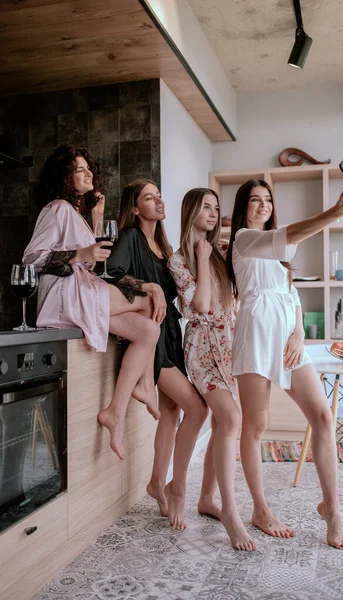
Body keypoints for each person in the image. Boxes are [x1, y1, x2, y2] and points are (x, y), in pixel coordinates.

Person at [225, 179, 343, 550]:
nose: (263, 205)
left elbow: (292, 295)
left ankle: (331, 508)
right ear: (243, 208)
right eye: (255, 200)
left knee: (322, 416)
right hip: (255, 332)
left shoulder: (282, 249)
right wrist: (336, 212)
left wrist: (298, 334)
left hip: (288, 336)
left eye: (268, 200)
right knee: (255, 426)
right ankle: (260, 509)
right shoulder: (243, 239)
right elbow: (296, 231)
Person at [23, 146, 163, 462]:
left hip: (83, 287)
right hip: (64, 293)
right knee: (146, 300)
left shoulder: (76, 215)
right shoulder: (57, 208)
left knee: (147, 330)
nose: (88, 173)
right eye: (78, 169)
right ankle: (146, 385)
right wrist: (81, 255)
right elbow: (32, 260)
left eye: (89, 168)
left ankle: (115, 411)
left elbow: (94, 260)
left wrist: (96, 218)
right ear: (64, 177)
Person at [106, 180, 216, 530]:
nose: (158, 200)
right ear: (136, 208)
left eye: (158, 195)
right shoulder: (130, 237)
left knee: (171, 411)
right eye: (149, 198)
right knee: (197, 408)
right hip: (150, 337)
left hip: (170, 334)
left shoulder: (164, 247)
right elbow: (113, 273)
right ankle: (172, 485)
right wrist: (147, 286)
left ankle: (156, 482)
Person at [168, 188, 257, 551]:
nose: (212, 213)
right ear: (191, 211)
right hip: (202, 349)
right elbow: (201, 304)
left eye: (216, 208)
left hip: (230, 345)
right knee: (232, 419)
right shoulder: (178, 260)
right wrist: (202, 258)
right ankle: (231, 514)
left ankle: (208, 498)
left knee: (224, 423)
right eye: (206, 207)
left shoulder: (222, 253)